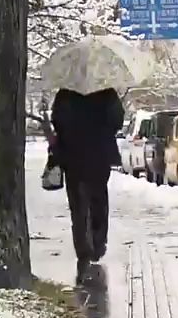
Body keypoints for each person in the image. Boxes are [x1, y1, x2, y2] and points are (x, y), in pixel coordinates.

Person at [50, 88, 125, 280]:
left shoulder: (66, 93)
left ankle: (82, 246)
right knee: (98, 196)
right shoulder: (106, 92)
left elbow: (56, 120)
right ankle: (98, 241)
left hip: (72, 153)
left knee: (76, 202)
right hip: (99, 152)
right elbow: (118, 119)